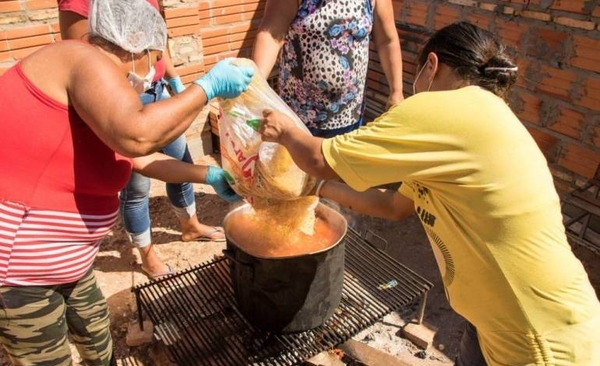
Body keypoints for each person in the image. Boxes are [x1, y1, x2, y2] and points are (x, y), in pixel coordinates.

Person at [258, 21, 600, 366]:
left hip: (540, 344)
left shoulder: (447, 108)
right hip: (498, 326)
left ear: (431, 66)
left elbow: (318, 157)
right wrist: (316, 188)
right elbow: (393, 205)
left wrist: (285, 131)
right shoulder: (475, 123)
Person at [0, 0, 253, 364]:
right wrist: (207, 87)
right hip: (21, 269)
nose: (155, 71)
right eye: (155, 58)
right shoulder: (81, 58)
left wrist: (208, 175)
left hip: (71, 261)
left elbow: (143, 159)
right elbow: (137, 138)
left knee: (98, 339)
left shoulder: (101, 86)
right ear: (137, 46)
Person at [58, 0, 224, 282]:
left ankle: (191, 226)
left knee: (180, 160)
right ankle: (147, 256)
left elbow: (156, 41)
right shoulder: (80, 4)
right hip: (121, 98)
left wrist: (173, 80)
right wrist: (204, 90)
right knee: (136, 187)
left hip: (155, 90)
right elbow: (85, 60)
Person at [252, 0, 404, 138]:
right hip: (298, 118)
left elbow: (386, 41)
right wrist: (254, 86)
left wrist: (396, 91)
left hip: (349, 117)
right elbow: (271, 35)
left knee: (340, 168)